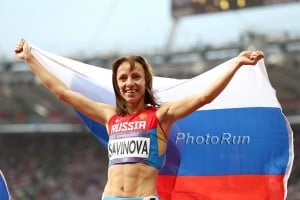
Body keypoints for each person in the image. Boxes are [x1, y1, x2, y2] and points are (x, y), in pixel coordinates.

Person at [15, 39, 264, 200]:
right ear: (117, 84)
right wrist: (30, 59)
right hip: (110, 197)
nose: (129, 83)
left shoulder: (161, 116)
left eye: (136, 77)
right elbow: (62, 93)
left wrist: (237, 64)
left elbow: (204, 97)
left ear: (145, 83)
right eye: (123, 78)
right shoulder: (109, 115)